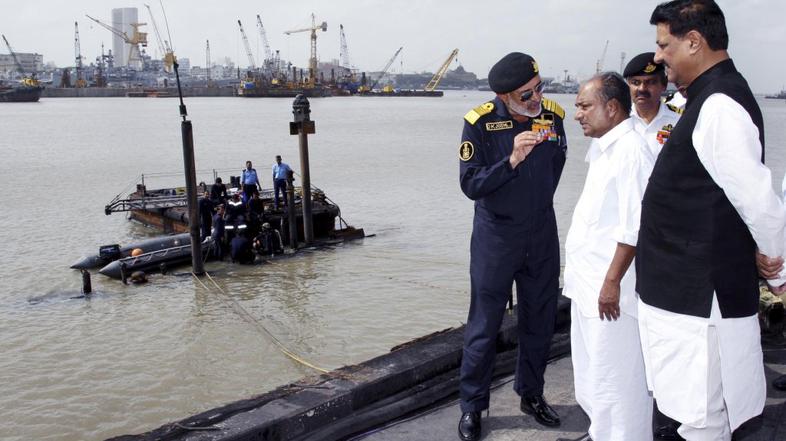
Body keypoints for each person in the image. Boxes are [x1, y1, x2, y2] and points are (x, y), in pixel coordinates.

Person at [635, 2, 785, 440]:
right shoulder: (708, 98)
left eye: (665, 45)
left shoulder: (719, 105)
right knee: (704, 415)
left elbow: (758, 201)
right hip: (688, 295)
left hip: (699, 300)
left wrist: (777, 270)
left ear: (694, 42)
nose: (659, 57)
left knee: (703, 417)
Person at [457, 52, 567, 441]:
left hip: (540, 233)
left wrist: (533, 206)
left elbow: (556, 167)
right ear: (505, 96)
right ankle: (473, 406)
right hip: (496, 238)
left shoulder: (553, 118)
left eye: (539, 89)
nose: (536, 99)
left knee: (540, 320)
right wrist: (512, 160)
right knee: (484, 326)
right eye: (526, 94)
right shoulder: (481, 124)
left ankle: (531, 393)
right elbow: (471, 185)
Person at [558, 73, 655, 441]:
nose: (577, 114)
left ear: (612, 108)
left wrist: (612, 282)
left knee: (618, 387)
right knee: (594, 382)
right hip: (587, 289)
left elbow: (635, 226)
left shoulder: (630, 151)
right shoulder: (604, 148)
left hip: (610, 294)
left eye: (585, 106)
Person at [623, 52, 682, 158]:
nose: (642, 88)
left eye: (650, 82)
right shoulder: (621, 121)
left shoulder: (680, 120)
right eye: (635, 83)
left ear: (663, 85)